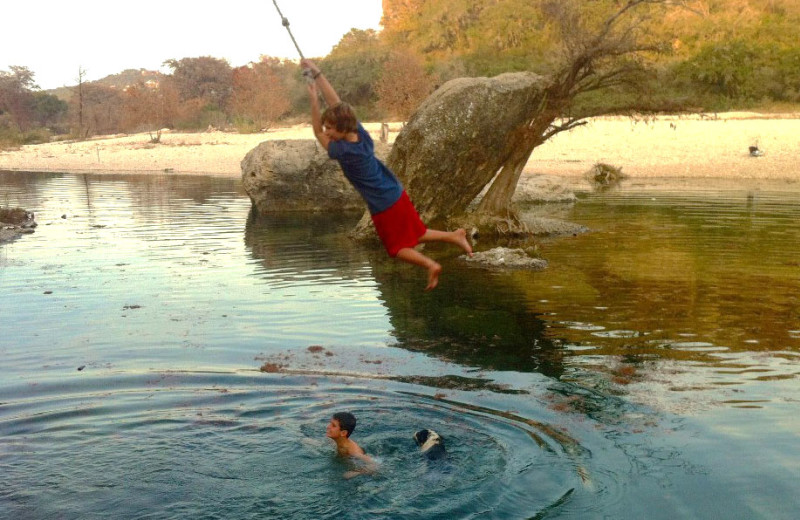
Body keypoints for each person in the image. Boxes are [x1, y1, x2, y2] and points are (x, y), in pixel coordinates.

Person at [302, 59, 473, 291]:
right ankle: (454, 236)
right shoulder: (359, 135)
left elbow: (316, 131)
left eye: (331, 129)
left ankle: (431, 265)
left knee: (396, 248)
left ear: (343, 129)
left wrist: (313, 98)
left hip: (383, 204)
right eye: (328, 129)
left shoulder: (345, 152)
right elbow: (337, 103)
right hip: (395, 192)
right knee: (416, 233)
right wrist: (318, 74)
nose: (328, 133)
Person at [326, 411, 375, 479]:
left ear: (343, 433)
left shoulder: (353, 451)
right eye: (330, 423)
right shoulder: (336, 441)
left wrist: (357, 473)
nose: (328, 427)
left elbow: (375, 465)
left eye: (333, 425)